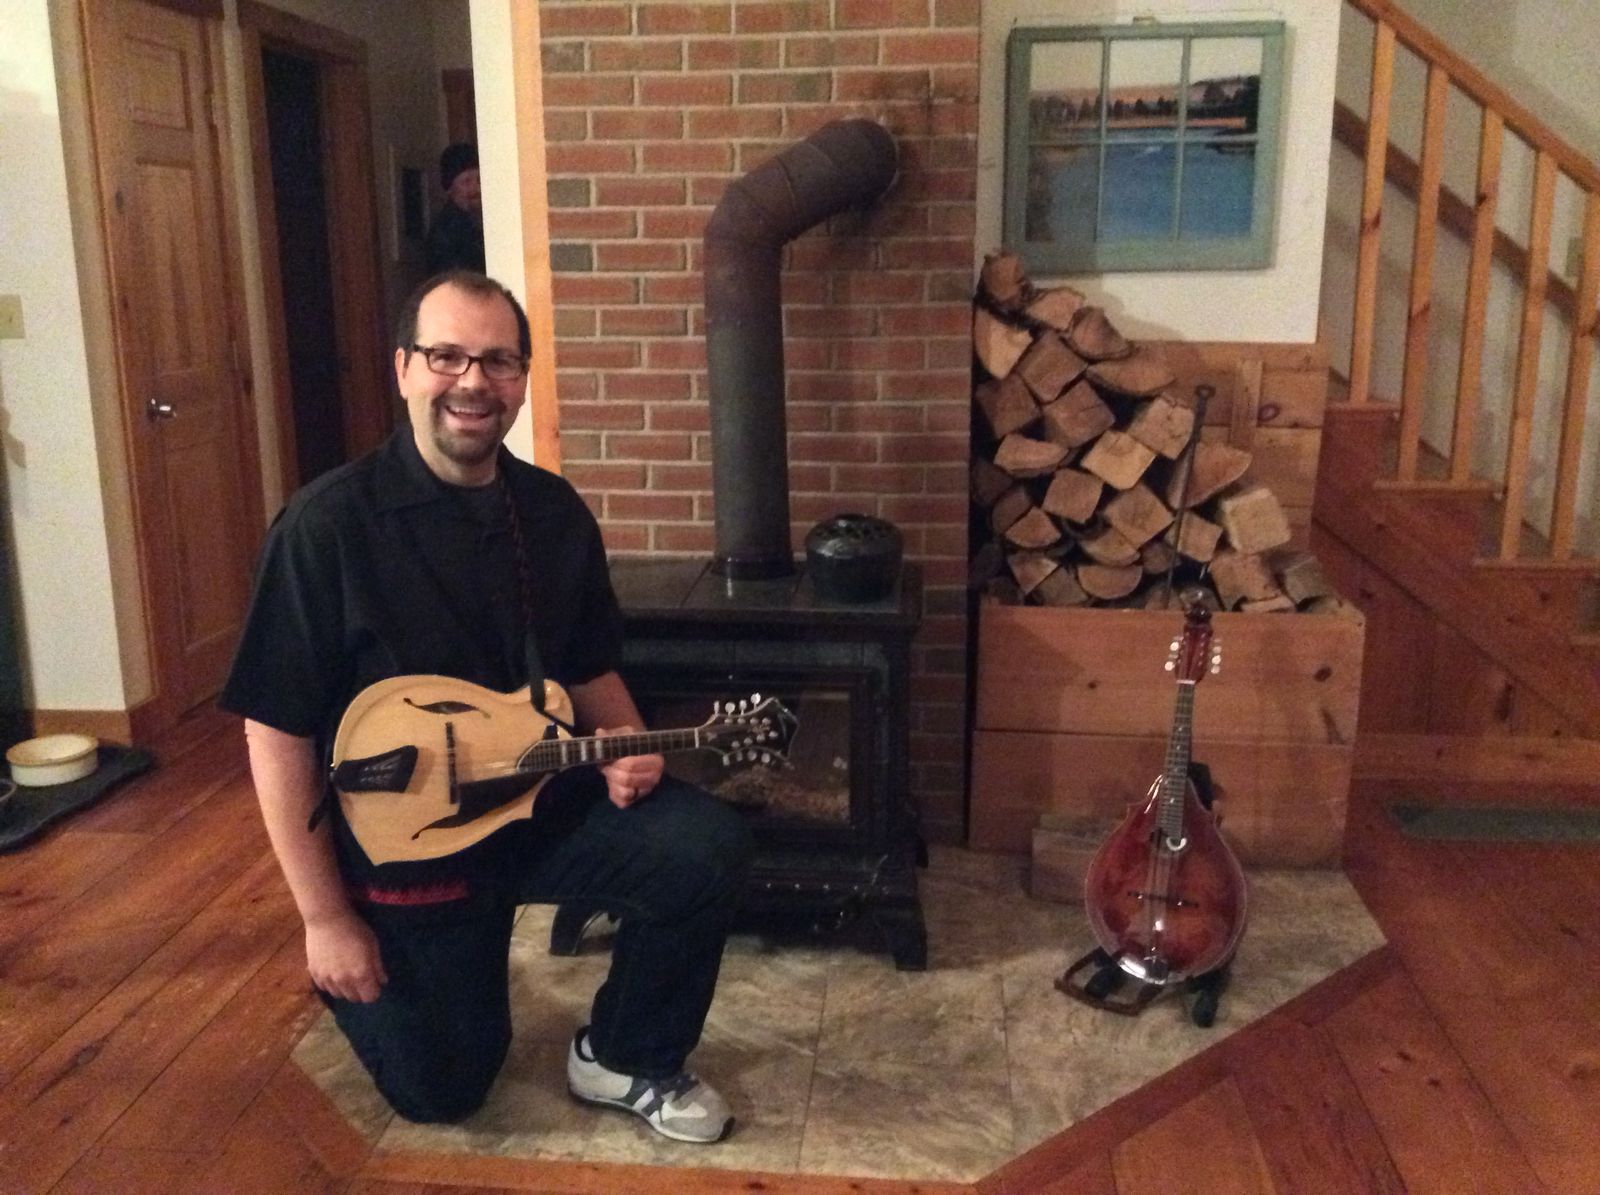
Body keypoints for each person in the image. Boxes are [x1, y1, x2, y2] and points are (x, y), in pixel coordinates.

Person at [220, 269, 753, 1143]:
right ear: (403, 368)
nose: (473, 381)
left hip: (539, 805)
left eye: (499, 360)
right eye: (447, 356)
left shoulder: (551, 514)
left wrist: (625, 741)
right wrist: (325, 919)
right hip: (410, 843)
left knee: (702, 844)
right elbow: (276, 730)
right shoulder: (325, 527)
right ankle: (405, 962)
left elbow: (587, 665)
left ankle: (623, 1052)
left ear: (522, 378)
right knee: (446, 1089)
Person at [423, 143, 485, 273]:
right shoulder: (444, 232)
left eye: (479, 180)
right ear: (449, 188)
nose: (476, 188)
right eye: (466, 182)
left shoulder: (481, 221)